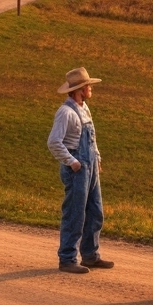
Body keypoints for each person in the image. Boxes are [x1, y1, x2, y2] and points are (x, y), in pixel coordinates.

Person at [47, 67, 113, 274]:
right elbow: (54, 142)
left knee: (95, 212)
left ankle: (90, 256)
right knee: (75, 214)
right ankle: (67, 259)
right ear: (80, 90)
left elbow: (92, 140)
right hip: (77, 169)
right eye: (88, 86)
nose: (91, 88)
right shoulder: (65, 112)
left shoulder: (84, 108)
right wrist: (72, 162)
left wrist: (97, 159)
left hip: (91, 166)